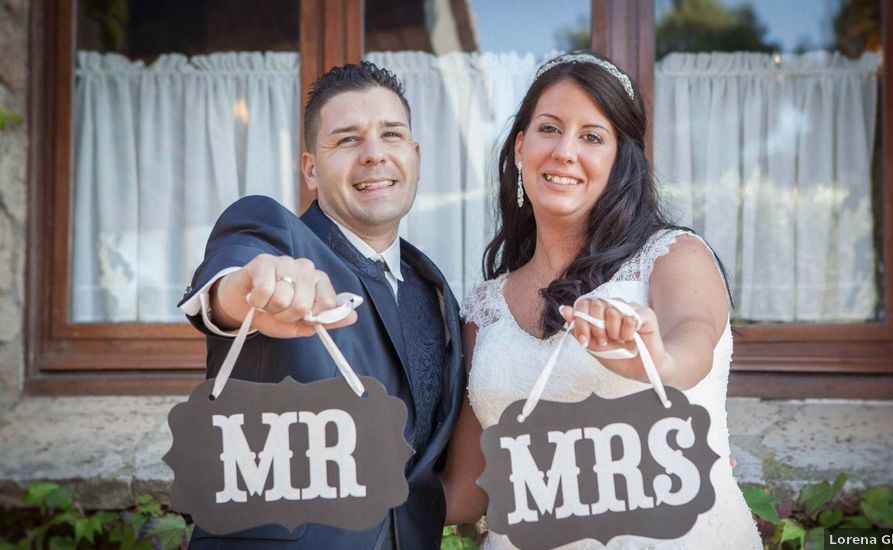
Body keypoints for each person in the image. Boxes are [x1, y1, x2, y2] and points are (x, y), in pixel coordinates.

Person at [441, 52, 762, 549]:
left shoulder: (672, 256)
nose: (566, 151)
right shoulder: (485, 308)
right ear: (521, 146)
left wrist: (660, 360)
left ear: (618, 162)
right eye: (549, 129)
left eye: (592, 137)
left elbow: (693, 338)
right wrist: (351, 493)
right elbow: (467, 491)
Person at [178, 62, 465, 549]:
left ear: (414, 156)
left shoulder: (432, 287)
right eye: (348, 139)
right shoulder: (275, 234)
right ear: (311, 169)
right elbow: (227, 284)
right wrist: (248, 287)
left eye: (391, 135)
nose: (374, 155)